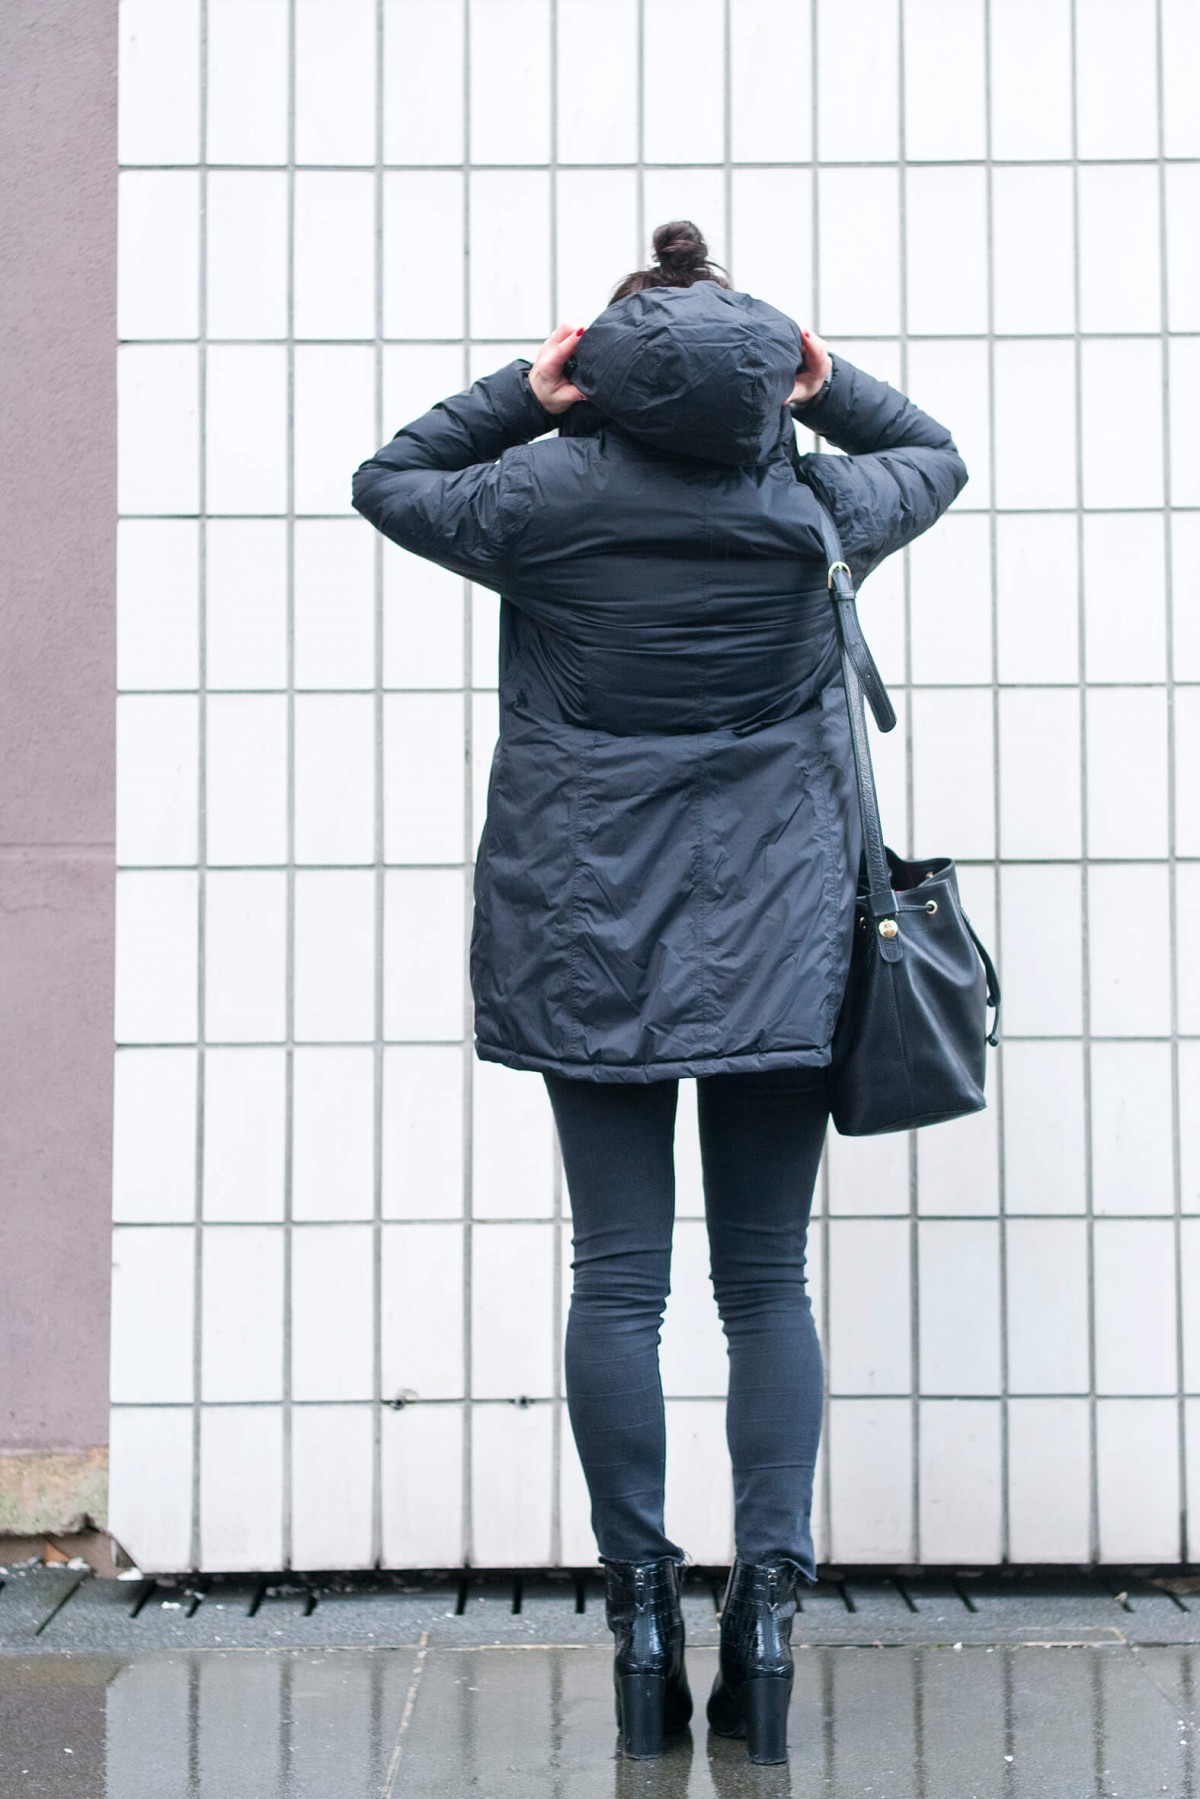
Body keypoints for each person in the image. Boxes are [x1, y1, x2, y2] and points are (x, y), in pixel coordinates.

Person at [351, 219, 967, 1765]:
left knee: (618, 1282)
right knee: (765, 1285)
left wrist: (525, 390)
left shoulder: (538, 501)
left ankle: (640, 1614)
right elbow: (935, 451)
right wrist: (827, 383)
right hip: (783, 935)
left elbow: (390, 478)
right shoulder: (817, 501)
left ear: (605, 369)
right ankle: (767, 1616)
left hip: (588, 936)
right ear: (769, 371)